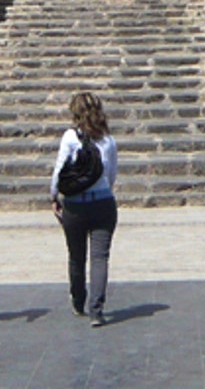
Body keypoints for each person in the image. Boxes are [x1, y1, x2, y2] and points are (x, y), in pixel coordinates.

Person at [50, 91, 118, 327]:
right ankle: (96, 310)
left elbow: (59, 170)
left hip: (75, 205)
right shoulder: (108, 140)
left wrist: (54, 196)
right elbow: (111, 175)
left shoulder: (70, 137)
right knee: (100, 257)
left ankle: (78, 301)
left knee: (76, 256)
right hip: (103, 204)